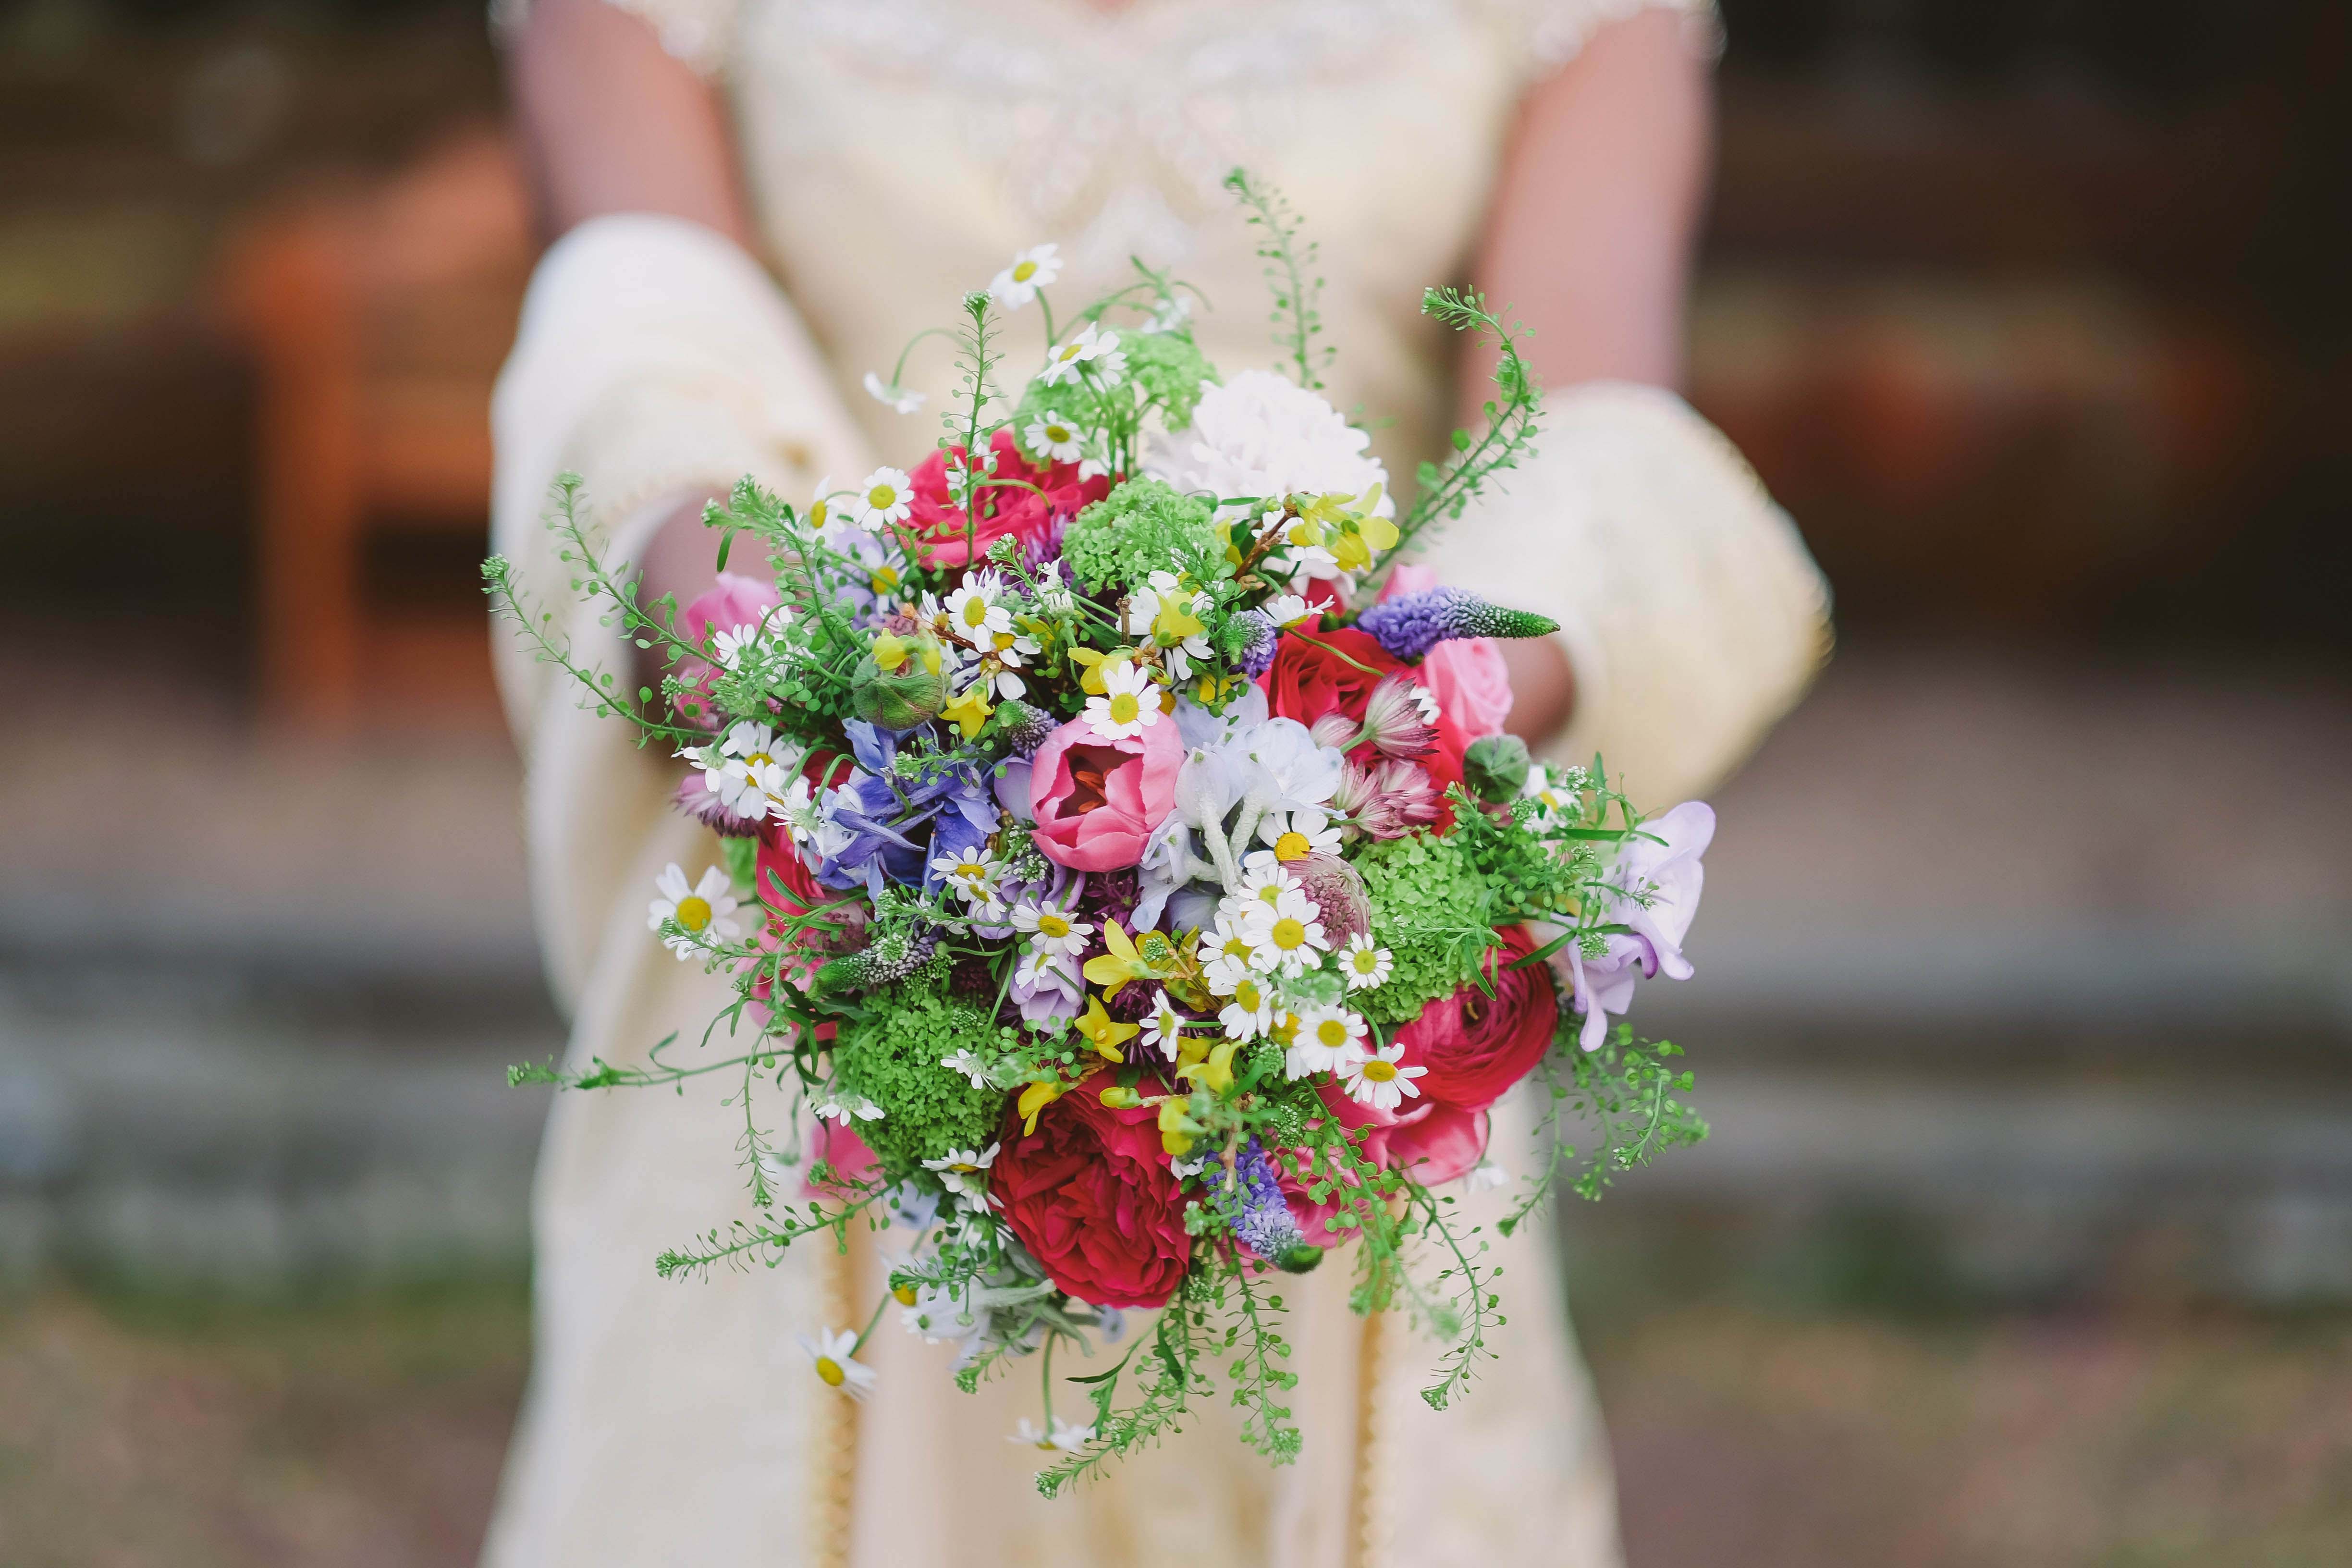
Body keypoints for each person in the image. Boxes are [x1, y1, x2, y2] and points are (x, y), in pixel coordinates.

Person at [483, 2, 1830, 1564]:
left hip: (1332, 959)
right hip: (853, 945)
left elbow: (1578, 435)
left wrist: (1385, 725)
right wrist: (801, 671)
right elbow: (644, 340)